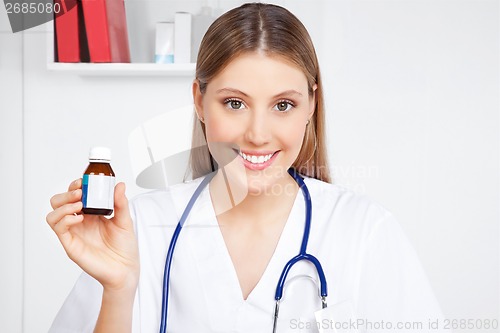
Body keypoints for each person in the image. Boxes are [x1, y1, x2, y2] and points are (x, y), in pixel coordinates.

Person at [46, 3, 449, 333]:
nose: (257, 134)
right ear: (199, 102)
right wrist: (119, 289)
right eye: (235, 103)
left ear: (311, 105)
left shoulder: (364, 231)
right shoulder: (142, 228)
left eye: (283, 105)